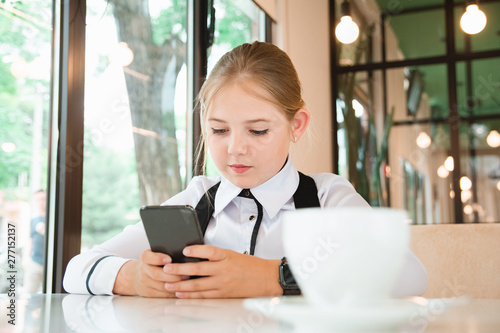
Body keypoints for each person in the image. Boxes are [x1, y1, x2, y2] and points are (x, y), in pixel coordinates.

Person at [63, 41, 427, 298]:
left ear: (296, 125)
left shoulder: (327, 197)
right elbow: (77, 269)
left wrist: (276, 277)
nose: (235, 147)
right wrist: (134, 278)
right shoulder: (196, 199)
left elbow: (409, 276)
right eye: (219, 130)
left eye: (258, 130)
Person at [25, 189, 47, 293]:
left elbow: (42, 229)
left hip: (51, 263)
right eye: (38, 200)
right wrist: (26, 258)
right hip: (35, 262)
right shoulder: (34, 220)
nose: (41, 202)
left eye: (43, 199)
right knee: (29, 294)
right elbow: (30, 240)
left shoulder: (54, 218)